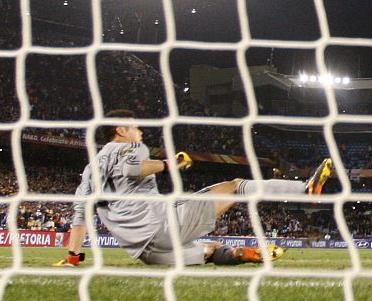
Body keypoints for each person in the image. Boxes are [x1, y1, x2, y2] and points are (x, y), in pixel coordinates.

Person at [54, 109, 333, 266]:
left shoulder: (89, 172)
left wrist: (73, 258)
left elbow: (80, 219)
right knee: (235, 186)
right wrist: (168, 165)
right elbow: (132, 169)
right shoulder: (131, 148)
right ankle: (303, 190)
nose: (140, 131)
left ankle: (239, 254)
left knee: (208, 249)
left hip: (147, 253)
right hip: (162, 225)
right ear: (120, 130)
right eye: (135, 127)